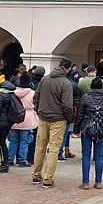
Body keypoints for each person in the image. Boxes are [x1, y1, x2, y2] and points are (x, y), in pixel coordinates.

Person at [31, 58, 76, 188]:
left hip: (44, 117)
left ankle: (36, 175)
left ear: (58, 65)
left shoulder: (45, 79)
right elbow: (68, 105)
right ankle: (48, 179)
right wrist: (69, 118)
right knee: (54, 149)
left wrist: (39, 111)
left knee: (40, 147)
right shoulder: (66, 83)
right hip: (58, 119)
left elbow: (36, 97)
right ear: (68, 69)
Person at [72, 76, 103, 189]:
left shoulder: (86, 97)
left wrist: (76, 129)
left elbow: (80, 114)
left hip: (87, 127)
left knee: (86, 155)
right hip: (101, 128)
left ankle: (85, 182)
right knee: (99, 156)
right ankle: (98, 182)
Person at [0, 74, 20, 173]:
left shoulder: (0, 94)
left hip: (1, 121)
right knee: (4, 141)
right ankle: (5, 162)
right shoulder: (11, 93)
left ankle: (4, 163)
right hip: (9, 120)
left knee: (1, 142)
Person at [9, 71, 37, 166]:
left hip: (14, 118)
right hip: (27, 119)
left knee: (13, 141)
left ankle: (9, 159)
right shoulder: (33, 93)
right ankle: (22, 160)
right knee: (24, 141)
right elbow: (36, 105)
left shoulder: (13, 93)